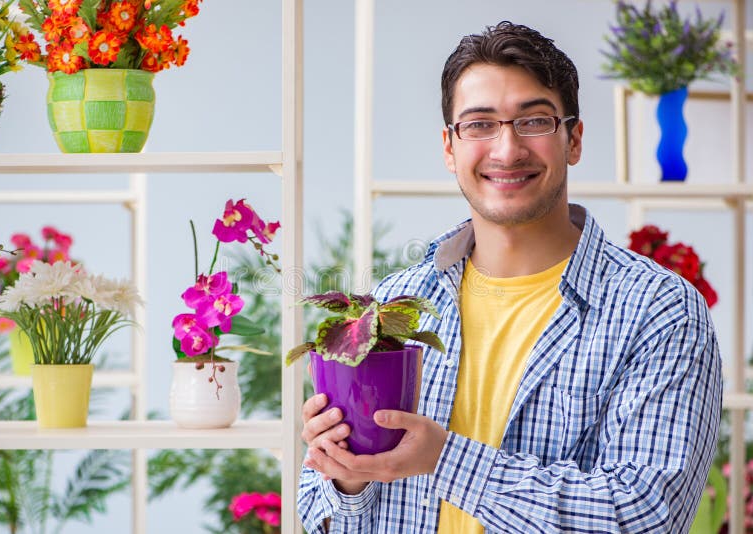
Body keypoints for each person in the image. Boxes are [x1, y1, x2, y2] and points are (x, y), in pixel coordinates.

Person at [297, 21, 722, 533]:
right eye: (479, 124)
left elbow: (644, 517)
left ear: (574, 139)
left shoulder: (659, 310)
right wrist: (347, 478)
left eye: (534, 121)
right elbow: (321, 512)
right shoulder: (396, 303)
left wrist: (445, 460)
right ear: (450, 148)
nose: (506, 149)